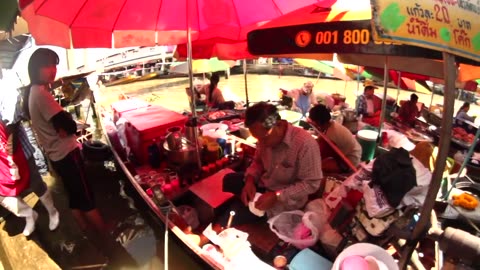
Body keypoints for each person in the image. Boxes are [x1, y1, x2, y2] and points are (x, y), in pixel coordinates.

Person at [26, 48, 106, 236]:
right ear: (36, 68)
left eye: (54, 65)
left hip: (56, 156)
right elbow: (68, 126)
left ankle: (85, 230)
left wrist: (64, 125)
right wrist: (66, 124)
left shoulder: (35, 91)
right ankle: (105, 236)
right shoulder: (40, 94)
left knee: (74, 195)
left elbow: (62, 125)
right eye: (47, 65)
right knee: (86, 196)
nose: (52, 70)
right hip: (67, 154)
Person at [223, 102, 323, 218]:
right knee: (229, 180)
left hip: (285, 199)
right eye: (257, 139)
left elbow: (312, 183)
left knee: (230, 217)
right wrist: (250, 180)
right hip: (264, 185)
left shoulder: (305, 143)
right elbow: (258, 162)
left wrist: (277, 196)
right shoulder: (263, 139)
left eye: (264, 138)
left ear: (279, 125)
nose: (261, 143)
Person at [0, 104, 59, 237]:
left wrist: (10, 148)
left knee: (36, 184)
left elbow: (13, 118)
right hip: (1, 161)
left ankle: (53, 211)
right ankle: (29, 214)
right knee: (3, 195)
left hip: (19, 150)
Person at [308, 104, 362, 170]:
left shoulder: (331, 135)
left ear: (318, 123)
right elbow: (320, 139)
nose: (313, 125)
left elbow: (319, 155)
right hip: (353, 153)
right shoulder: (331, 125)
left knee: (317, 166)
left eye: (313, 122)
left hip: (350, 161)